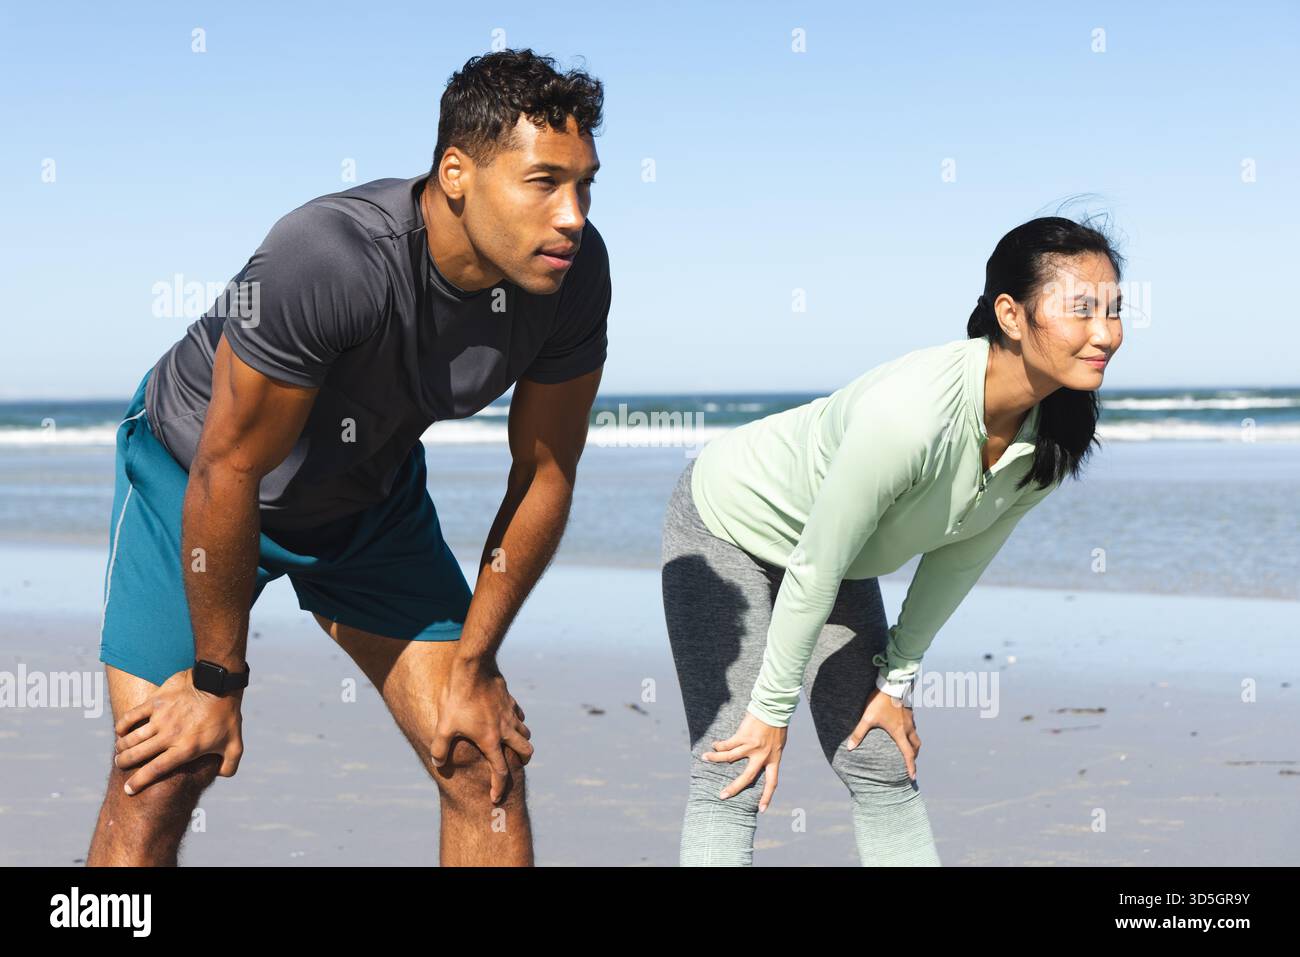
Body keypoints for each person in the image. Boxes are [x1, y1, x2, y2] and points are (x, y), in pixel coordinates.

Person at [88, 48, 609, 867]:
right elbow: (229, 467)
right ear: (457, 173)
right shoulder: (330, 257)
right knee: (166, 767)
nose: (573, 214)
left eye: (585, 184)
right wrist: (218, 678)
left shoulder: (571, 278)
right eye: (544, 182)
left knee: (479, 758)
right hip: (191, 484)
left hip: (365, 503)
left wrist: (472, 666)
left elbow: (545, 472)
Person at [660, 215, 1125, 865]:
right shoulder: (910, 415)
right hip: (728, 520)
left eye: (1115, 310)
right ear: (1012, 315)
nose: (1106, 333)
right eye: (1082, 310)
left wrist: (896, 681)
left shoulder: (1051, 440)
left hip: (832, 557)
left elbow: (958, 561)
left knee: (880, 761)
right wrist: (770, 711)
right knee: (731, 768)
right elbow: (816, 562)